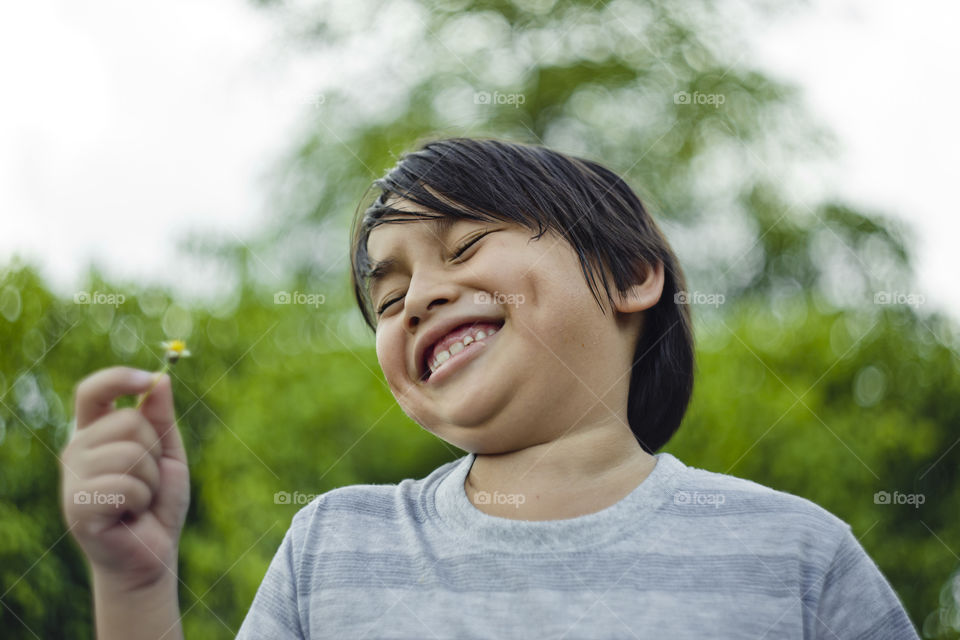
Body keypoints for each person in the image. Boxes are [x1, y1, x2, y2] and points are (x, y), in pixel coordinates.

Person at [60, 137, 921, 638]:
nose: (420, 298)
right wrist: (133, 587)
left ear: (628, 273)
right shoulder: (332, 548)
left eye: (467, 247)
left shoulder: (795, 557)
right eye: (389, 299)